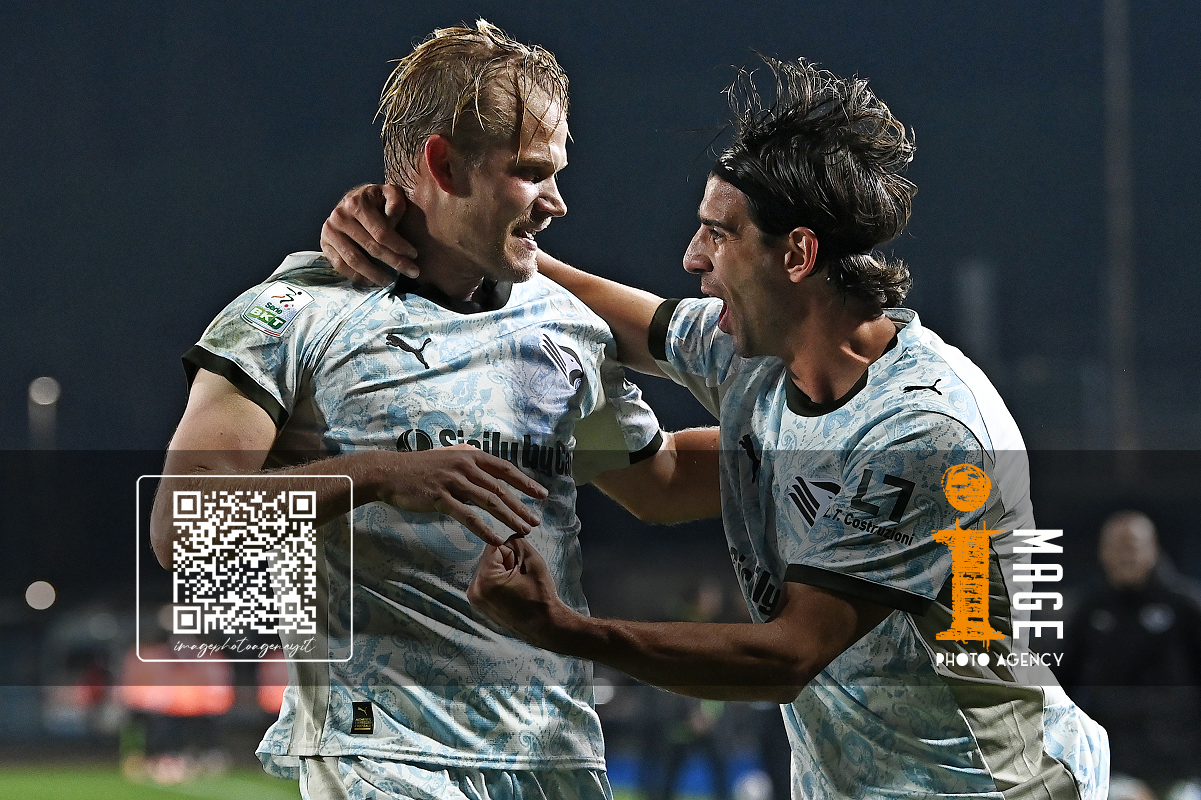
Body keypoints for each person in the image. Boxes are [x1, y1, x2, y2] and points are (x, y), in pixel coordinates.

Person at [326, 56, 1110, 799]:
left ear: (796, 254)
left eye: (719, 234)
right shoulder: (763, 354)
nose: (691, 257)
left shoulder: (923, 431)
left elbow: (787, 657)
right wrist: (425, 227)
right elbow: (650, 448)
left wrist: (562, 629)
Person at [150, 20, 719, 800]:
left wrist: (849, 456)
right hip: (381, 751)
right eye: (530, 173)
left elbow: (661, 482)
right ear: (442, 164)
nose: (556, 202)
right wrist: (379, 476)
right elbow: (184, 525)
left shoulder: (564, 327)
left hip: (553, 752)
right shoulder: (293, 315)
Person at [1060, 511, 1201, 797]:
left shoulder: (1186, 606)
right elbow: (1063, 683)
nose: (1126, 555)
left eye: (1133, 546)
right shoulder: (1088, 610)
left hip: (1182, 763)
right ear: (1102, 553)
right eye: (1117, 547)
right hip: (1114, 761)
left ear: (1153, 549)